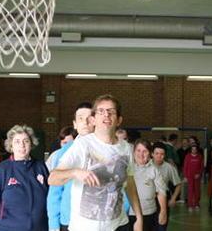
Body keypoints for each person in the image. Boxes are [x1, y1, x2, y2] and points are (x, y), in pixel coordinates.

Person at [49, 94, 145, 231]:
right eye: (101, 111)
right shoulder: (82, 145)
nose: (106, 114)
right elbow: (52, 179)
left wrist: (139, 217)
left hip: (119, 224)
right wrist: (75, 172)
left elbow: (130, 183)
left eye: (111, 111)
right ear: (93, 120)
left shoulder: (126, 148)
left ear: (119, 120)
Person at [0, 124, 49, 231]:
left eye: (26, 141)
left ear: (31, 144)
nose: (22, 145)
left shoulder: (40, 167)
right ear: (11, 145)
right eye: (17, 142)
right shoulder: (1, 170)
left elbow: (50, 198)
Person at [47, 102, 94, 231]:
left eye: (89, 118)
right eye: (80, 118)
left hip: (97, 221)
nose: (85, 122)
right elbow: (54, 193)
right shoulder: (62, 154)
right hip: (68, 221)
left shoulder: (105, 150)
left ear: (95, 121)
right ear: (75, 124)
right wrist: (53, 225)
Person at [128, 140, 167, 231]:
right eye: (138, 150)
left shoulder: (154, 170)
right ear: (134, 152)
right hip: (128, 214)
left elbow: (161, 191)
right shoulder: (127, 167)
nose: (141, 154)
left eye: (145, 151)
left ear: (150, 153)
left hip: (148, 214)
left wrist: (163, 211)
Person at [151, 142, 182, 231]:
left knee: (162, 225)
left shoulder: (169, 167)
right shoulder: (146, 165)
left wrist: (173, 198)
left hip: (163, 197)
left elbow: (178, 184)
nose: (159, 156)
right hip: (149, 199)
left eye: (162, 154)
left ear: (165, 155)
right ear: (152, 154)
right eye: (156, 153)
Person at [182, 143, 203, 212]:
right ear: (191, 150)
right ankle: (190, 205)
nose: (194, 150)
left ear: (197, 150)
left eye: (195, 149)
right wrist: (185, 176)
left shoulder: (200, 156)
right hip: (189, 176)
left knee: (197, 191)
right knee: (190, 191)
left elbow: (201, 167)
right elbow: (185, 167)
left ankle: (197, 204)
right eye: (192, 149)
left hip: (197, 177)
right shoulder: (187, 156)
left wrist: (199, 174)